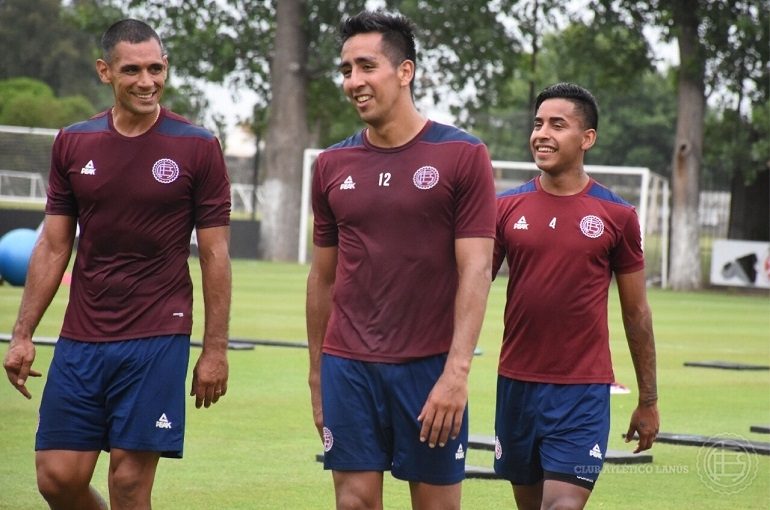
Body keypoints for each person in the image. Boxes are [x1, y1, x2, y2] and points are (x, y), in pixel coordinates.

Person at [2, 19, 231, 510]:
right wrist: (23, 334)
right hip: (83, 334)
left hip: (157, 333)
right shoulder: (74, 142)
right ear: (105, 71)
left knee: (129, 483)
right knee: (57, 478)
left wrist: (214, 349)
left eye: (155, 68)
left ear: (166, 68)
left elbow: (214, 253)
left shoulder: (198, 146)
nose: (147, 81)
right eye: (132, 70)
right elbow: (52, 246)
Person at [306, 10, 497, 510]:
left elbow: (476, 270)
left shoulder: (463, 155)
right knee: (353, 504)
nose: (353, 81)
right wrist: (316, 374)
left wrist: (456, 375)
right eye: (346, 69)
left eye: (367, 66)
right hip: (347, 366)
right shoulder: (330, 165)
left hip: (429, 368)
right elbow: (321, 279)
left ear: (405, 71)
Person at [492, 82, 659, 509]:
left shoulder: (617, 215)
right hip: (516, 385)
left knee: (561, 506)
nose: (541, 133)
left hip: (581, 392)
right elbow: (467, 289)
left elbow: (637, 313)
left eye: (557, 124)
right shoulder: (505, 208)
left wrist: (648, 400)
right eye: (538, 123)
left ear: (587, 139)